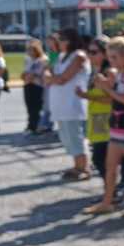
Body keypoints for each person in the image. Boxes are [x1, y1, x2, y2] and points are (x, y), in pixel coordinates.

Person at [84, 37, 124, 217]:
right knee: (110, 165)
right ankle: (107, 202)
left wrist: (106, 88)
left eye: (114, 57)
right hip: (118, 121)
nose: (110, 61)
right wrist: (104, 83)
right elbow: (114, 94)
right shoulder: (121, 71)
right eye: (109, 57)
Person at [77, 37, 124, 199]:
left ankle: (117, 189)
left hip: (107, 118)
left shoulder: (110, 72)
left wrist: (86, 96)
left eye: (94, 52)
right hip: (96, 118)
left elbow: (111, 98)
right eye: (88, 52)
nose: (90, 55)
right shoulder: (95, 70)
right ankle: (112, 190)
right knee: (102, 158)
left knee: (101, 158)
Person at [46, 28, 91, 180]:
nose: (58, 43)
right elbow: (49, 73)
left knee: (75, 136)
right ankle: (76, 165)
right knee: (66, 137)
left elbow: (63, 78)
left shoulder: (78, 56)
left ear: (69, 40)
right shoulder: (61, 56)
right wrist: (51, 77)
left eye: (60, 40)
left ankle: (84, 167)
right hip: (60, 104)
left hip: (72, 103)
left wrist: (51, 78)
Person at [21, 39, 47, 135]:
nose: (29, 52)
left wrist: (29, 77)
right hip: (27, 84)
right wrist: (25, 76)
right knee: (29, 107)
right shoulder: (28, 60)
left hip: (37, 85)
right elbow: (24, 73)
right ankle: (31, 125)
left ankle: (36, 126)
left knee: (36, 108)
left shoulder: (42, 60)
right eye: (28, 50)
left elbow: (37, 73)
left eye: (31, 50)